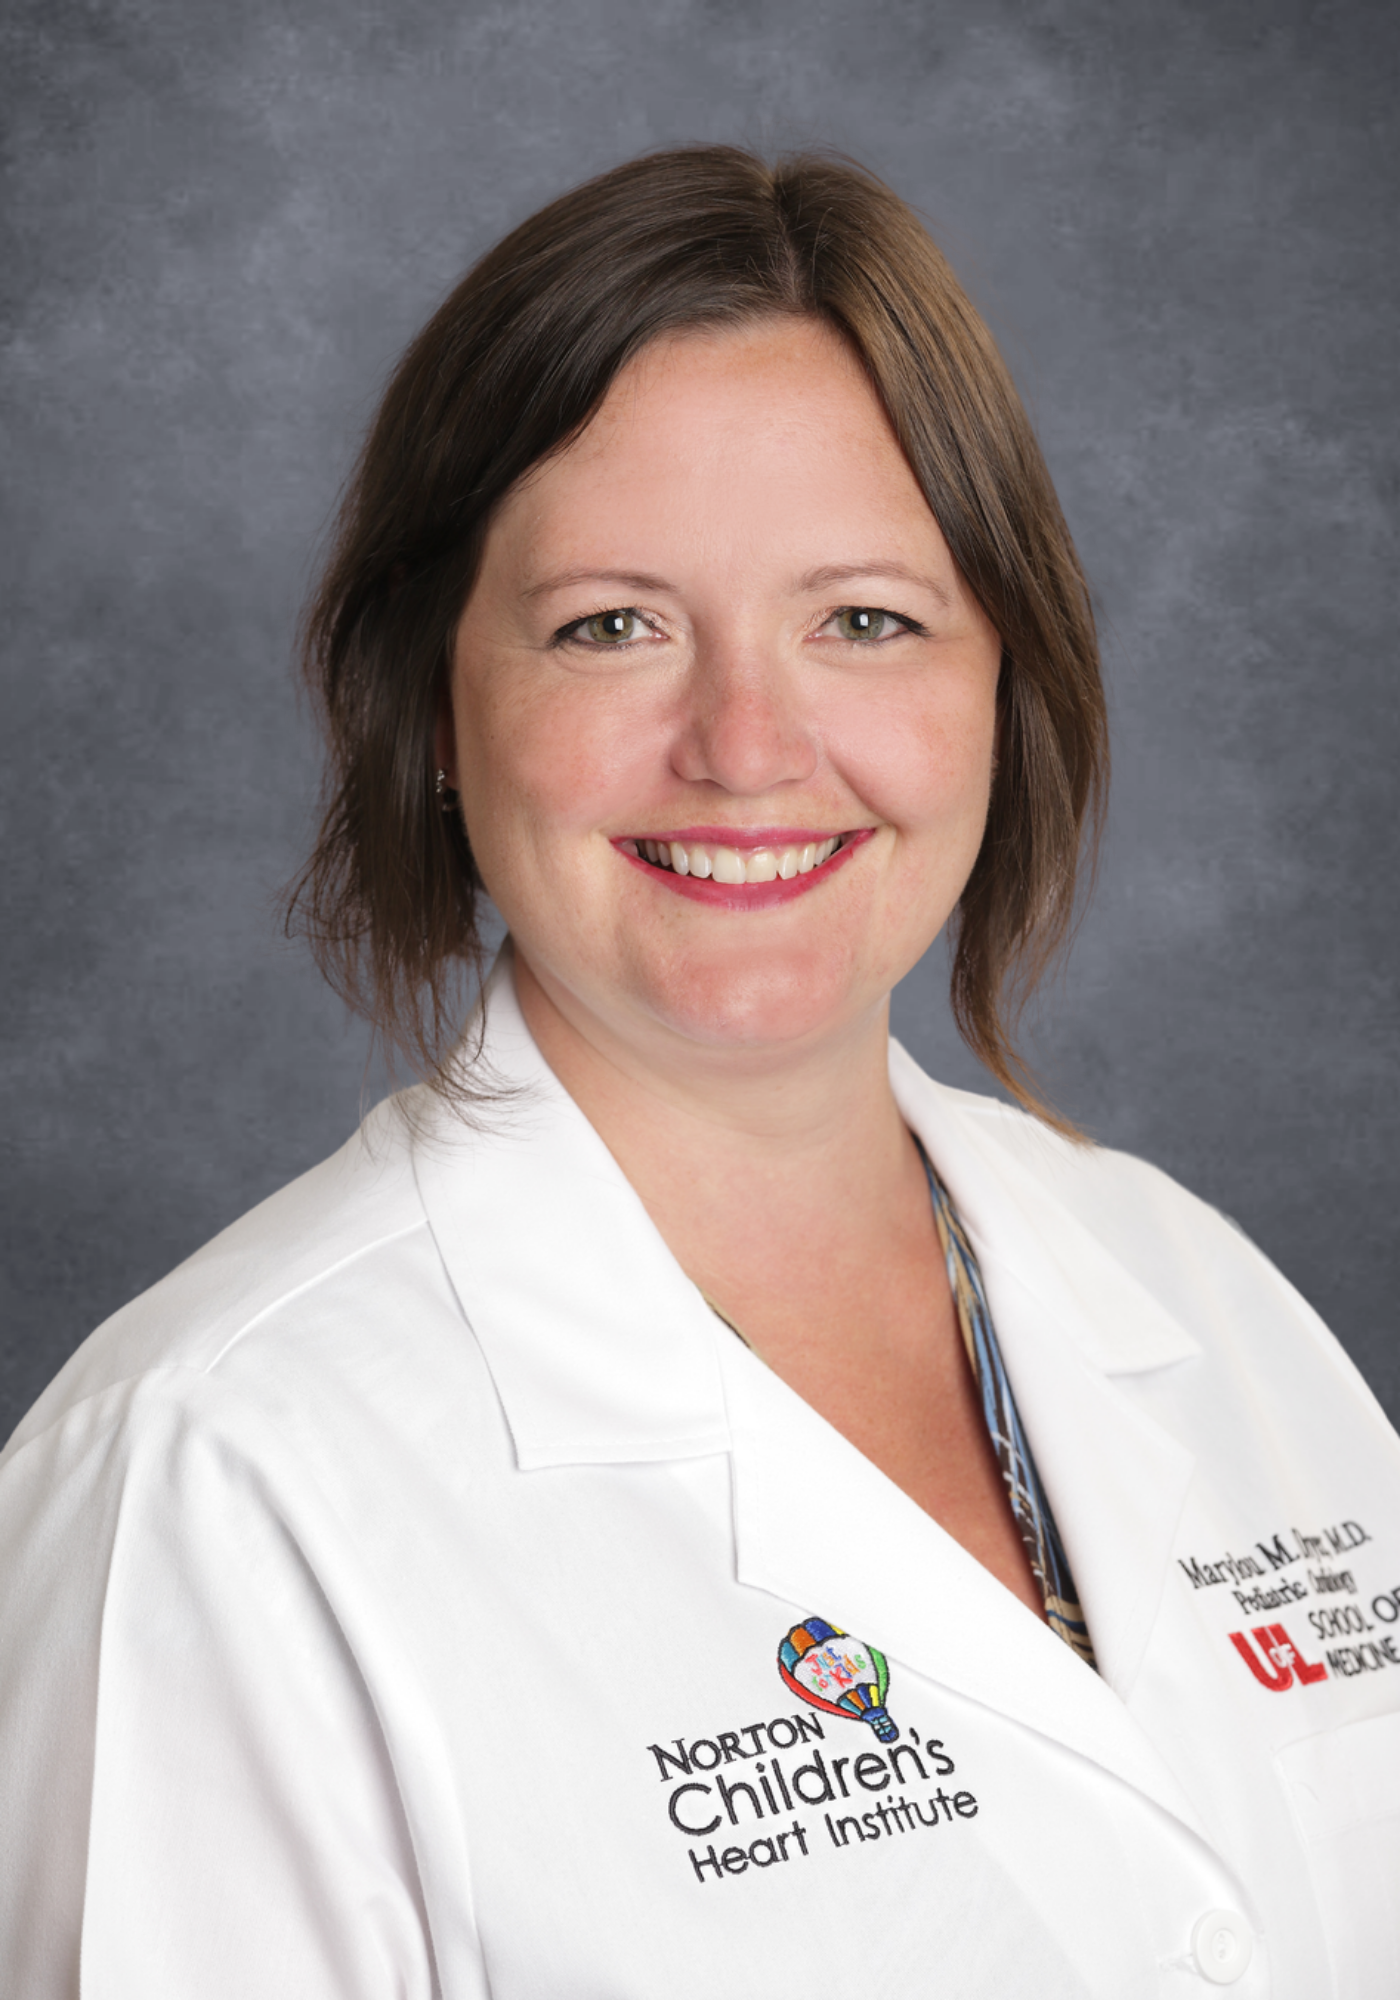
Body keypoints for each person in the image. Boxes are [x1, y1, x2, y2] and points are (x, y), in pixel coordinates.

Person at [0, 145, 1396, 2000]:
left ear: (1003, 681)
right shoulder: (208, 1481)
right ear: (432, 707)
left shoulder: (1207, 1299)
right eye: (613, 626)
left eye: (864, 620)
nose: (746, 746)